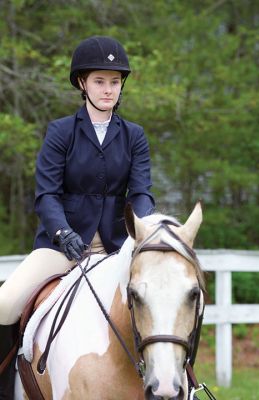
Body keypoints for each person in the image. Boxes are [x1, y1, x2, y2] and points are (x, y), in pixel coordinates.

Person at [0, 35, 155, 399]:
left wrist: (144, 233)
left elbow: (142, 193)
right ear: (82, 83)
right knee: (5, 304)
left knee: (163, 300)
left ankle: (183, 384)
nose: (108, 89)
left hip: (117, 248)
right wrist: (62, 231)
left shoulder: (134, 136)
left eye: (114, 82)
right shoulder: (61, 132)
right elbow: (46, 195)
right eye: (100, 81)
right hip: (62, 246)